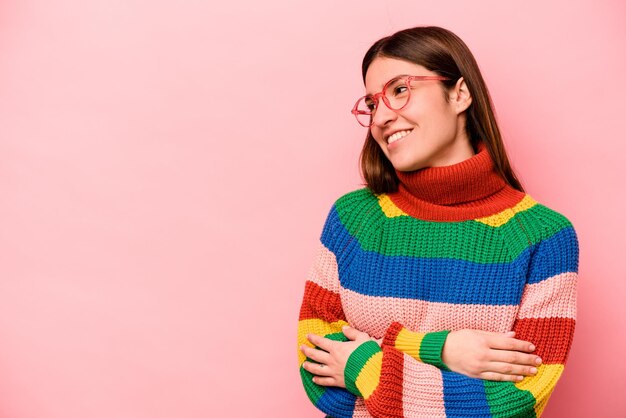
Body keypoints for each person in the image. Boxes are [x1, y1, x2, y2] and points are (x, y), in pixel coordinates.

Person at [296, 26, 579, 418]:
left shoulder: (544, 236)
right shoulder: (352, 219)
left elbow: (517, 403)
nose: (381, 117)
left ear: (460, 93)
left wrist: (362, 363)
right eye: (372, 103)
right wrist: (444, 350)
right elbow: (316, 370)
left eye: (399, 90)